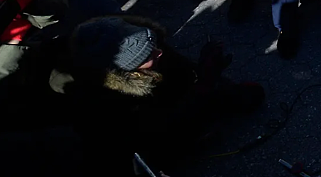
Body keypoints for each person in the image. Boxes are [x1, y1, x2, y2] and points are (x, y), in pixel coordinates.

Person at [50, 15, 263, 174]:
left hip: (170, 104)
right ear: (127, 70)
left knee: (248, 97)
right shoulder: (102, 105)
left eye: (153, 45)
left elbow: (181, 70)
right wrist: (205, 85)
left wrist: (203, 68)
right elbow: (161, 132)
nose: (158, 51)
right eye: (148, 55)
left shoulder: (148, 47)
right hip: (153, 142)